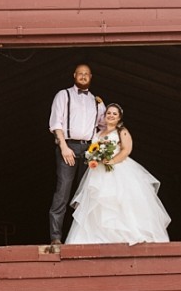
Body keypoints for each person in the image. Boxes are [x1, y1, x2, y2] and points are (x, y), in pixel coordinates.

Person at [66, 103, 171, 245]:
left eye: (114, 114)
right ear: (104, 116)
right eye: (108, 113)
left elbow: (126, 150)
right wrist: (94, 157)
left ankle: (123, 235)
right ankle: (99, 237)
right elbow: (92, 150)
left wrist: (112, 161)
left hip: (118, 168)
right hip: (98, 172)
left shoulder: (122, 131)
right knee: (97, 204)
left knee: (118, 201)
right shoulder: (98, 134)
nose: (111, 116)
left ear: (119, 117)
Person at [48, 64, 105, 249]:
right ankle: (56, 236)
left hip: (88, 149)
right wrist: (63, 146)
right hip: (69, 146)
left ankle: (82, 237)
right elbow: (56, 122)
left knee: (86, 194)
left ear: (91, 77)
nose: (83, 76)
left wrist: (96, 148)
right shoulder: (63, 95)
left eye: (86, 74)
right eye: (80, 74)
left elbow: (102, 126)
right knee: (63, 191)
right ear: (74, 75)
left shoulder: (96, 102)